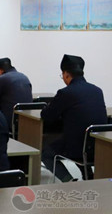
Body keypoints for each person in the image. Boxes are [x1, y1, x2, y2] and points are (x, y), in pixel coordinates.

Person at [41, 54, 107, 182]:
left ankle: (69, 181)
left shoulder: (66, 92)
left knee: (46, 154)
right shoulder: (97, 90)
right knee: (79, 140)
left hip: (77, 147)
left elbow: (47, 115)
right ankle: (88, 175)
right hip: (99, 146)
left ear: (66, 74)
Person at [0, 57, 32, 130]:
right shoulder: (24, 77)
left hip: (9, 119)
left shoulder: (3, 78)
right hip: (27, 119)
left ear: (0, 70)